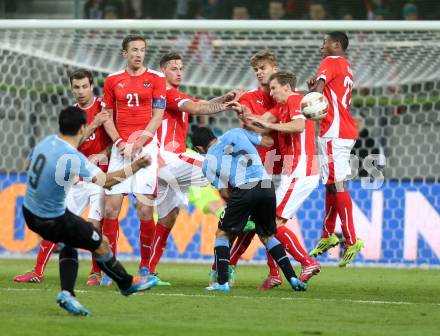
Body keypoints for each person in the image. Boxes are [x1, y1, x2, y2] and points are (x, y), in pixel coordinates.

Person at [22, 106, 159, 316]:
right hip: (53, 218)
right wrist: (137, 166)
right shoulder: (72, 157)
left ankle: (67, 294)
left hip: (30, 212)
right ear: (82, 128)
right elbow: (107, 181)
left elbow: (27, 164)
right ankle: (126, 283)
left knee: (70, 242)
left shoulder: (45, 143)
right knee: (100, 243)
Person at [146, 52, 239, 278]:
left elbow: (200, 104)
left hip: (163, 166)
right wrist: (226, 107)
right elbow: (197, 109)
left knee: (168, 217)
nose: (178, 71)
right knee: (218, 164)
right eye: (173, 68)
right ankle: (240, 214)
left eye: (180, 68)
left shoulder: (176, 95)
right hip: (169, 158)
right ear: (162, 72)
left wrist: (223, 100)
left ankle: (147, 270)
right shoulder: (165, 93)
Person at [14, 69, 111, 286]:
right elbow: (68, 145)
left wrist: (103, 154)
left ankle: (96, 273)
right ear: (71, 88)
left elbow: (116, 138)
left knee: (95, 225)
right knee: (57, 223)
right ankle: (38, 271)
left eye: (84, 86)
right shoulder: (73, 115)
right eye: (76, 87)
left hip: (99, 177)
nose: (80, 91)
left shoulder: (105, 107)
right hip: (75, 178)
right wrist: (94, 124)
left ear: (92, 86)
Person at [191, 126, 307, 292]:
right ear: (213, 135)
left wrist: (241, 209)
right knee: (267, 236)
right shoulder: (235, 132)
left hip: (244, 190)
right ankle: (293, 278)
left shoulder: (207, 162)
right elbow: (266, 141)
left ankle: (222, 282)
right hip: (267, 187)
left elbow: (224, 191)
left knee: (222, 233)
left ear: (199, 148)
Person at [100, 35, 166, 284]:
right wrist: (119, 143)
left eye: (142, 50)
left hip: (145, 150)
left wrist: (137, 143)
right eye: (134, 50)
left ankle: (146, 267)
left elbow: (158, 115)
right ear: (124, 53)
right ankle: (111, 269)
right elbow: (106, 115)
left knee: (145, 208)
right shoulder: (113, 80)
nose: (139, 54)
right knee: (110, 208)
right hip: (120, 151)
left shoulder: (156, 80)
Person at [244, 70, 321, 282]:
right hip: (293, 171)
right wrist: (242, 110)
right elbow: (258, 122)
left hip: (301, 169)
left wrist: (269, 125)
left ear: (287, 87)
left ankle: (307, 263)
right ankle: (280, 272)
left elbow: (298, 126)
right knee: (269, 223)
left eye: (274, 88)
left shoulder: (296, 99)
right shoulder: (281, 106)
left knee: (270, 223)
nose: (272, 92)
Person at [307, 31, 364, 266]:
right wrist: (317, 87)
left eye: (325, 41)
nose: (322, 45)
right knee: (331, 183)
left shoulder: (330, 61)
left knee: (337, 183)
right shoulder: (346, 65)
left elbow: (318, 91)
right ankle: (327, 235)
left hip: (334, 132)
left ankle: (351, 239)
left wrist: (309, 99)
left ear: (336, 45)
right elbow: (327, 89)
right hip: (342, 130)